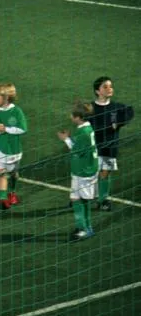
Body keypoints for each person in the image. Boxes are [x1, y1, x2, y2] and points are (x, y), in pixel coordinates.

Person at [88, 76, 134, 211]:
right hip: (93, 147)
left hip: (110, 148)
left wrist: (118, 123)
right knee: (90, 174)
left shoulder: (116, 107)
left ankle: (103, 200)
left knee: (105, 173)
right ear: (97, 91)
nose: (109, 89)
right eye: (105, 87)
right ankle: (80, 197)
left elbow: (130, 111)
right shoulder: (91, 108)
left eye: (110, 86)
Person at [57, 102, 98, 241]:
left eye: (72, 115)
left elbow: (77, 150)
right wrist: (70, 138)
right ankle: (82, 226)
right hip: (83, 169)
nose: (70, 116)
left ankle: (85, 229)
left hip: (83, 171)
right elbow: (81, 146)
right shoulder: (86, 129)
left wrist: (66, 139)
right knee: (76, 198)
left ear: (78, 117)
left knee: (82, 200)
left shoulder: (84, 132)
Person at [0, 83, 27, 209]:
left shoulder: (16, 111)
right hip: (1, 149)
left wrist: (6, 129)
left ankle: (12, 193)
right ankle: (3, 199)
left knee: (13, 174)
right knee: (2, 173)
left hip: (15, 150)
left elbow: (23, 129)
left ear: (6, 98)